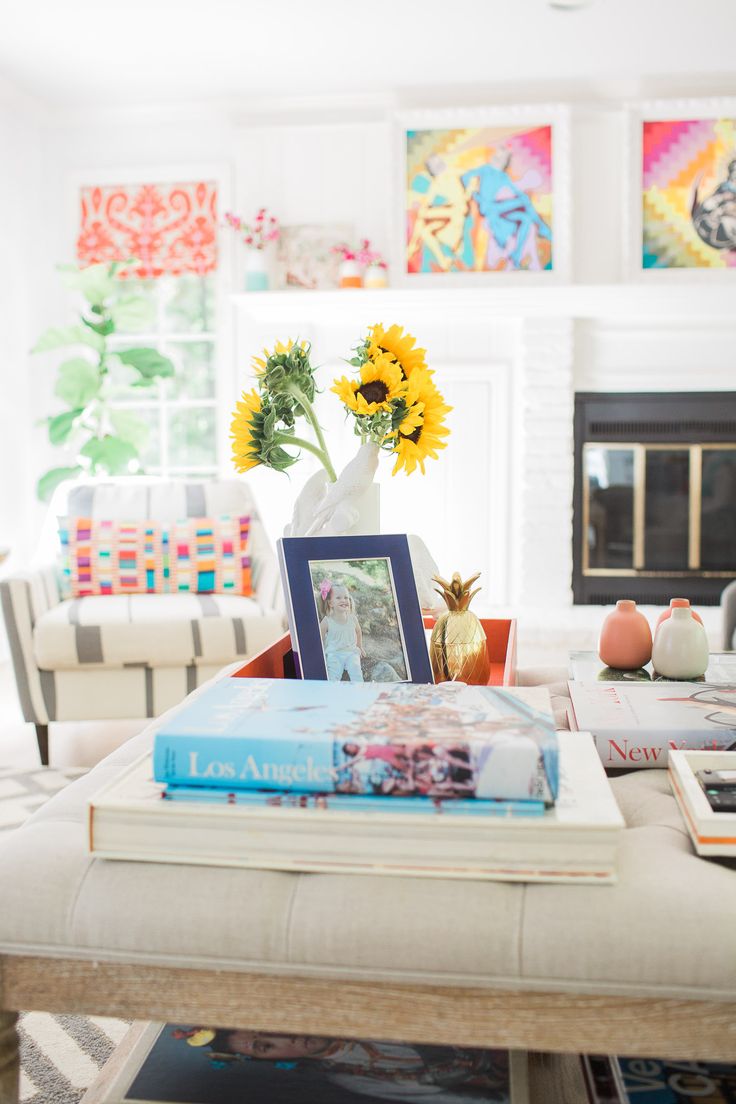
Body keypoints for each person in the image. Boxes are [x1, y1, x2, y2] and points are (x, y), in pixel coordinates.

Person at [174, 1027, 511, 1102]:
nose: (284, 1039)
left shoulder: (351, 1016)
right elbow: (445, 1099)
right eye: (267, 1046)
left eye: (270, 1030)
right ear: (273, 1060)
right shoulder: (350, 1077)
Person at [318, 579, 366, 682]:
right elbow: (319, 638)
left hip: (351, 652)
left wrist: (360, 646)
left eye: (346, 597)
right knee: (333, 677)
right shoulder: (327, 621)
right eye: (339, 598)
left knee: (357, 673)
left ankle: (359, 693)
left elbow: (358, 631)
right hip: (334, 654)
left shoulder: (352, 618)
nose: (344, 600)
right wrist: (320, 655)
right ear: (330, 603)